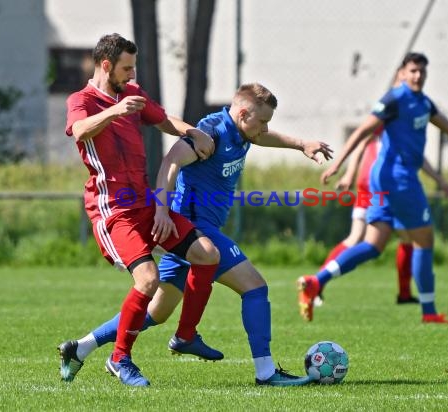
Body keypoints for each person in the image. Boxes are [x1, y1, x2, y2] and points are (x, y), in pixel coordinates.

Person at [58, 83, 333, 386]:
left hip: (196, 233)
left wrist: (301, 144)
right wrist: (162, 209)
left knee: (154, 312)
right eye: (262, 121)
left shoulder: (243, 132)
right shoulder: (212, 131)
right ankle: (264, 371)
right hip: (196, 229)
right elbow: (170, 162)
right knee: (255, 287)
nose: (265, 128)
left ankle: (80, 347)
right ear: (243, 113)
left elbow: (263, 136)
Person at [297, 52, 448, 324]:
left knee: (373, 245)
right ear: (402, 72)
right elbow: (362, 132)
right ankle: (429, 311)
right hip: (398, 181)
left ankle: (316, 281)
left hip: (387, 181)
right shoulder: (395, 99)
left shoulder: (423, 103)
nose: (417, 75)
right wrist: (338, 164)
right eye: (412, 70)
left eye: (421, 71)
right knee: (424, 240)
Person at [58, 33, 225, 387]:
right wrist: (115, 110)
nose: (132, 76)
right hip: (113, 211)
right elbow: (79, 130)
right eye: (126, 68)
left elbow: (163, 120)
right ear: (106, 65)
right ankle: (120, 359)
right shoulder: (82, 100)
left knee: (207, 254)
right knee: (148, 280)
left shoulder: (132, 94)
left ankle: (186, 336)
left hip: (146, 204)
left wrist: (193, 132)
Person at [309, 125, 448, 316]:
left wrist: (350, 175)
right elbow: (362, 144)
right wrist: (349, 174)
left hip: (372, 186)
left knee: (400, 238)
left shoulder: (393, 119)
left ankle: (404, 294)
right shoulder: (389, 118)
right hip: (379, 188)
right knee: (369, 240)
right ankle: (317, 282)